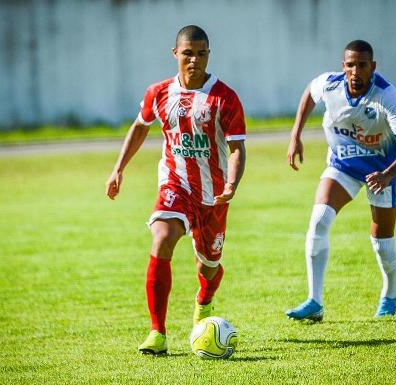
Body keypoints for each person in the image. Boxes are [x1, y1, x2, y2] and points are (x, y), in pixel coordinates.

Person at [105, 25, 246, 354]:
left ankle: (204, 300)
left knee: (208, 266)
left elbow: (237, 148)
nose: (194, 60)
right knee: (162, 237)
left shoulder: (224, 97)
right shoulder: (159, 93)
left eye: (201, 53)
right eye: (187, 53)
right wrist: (118, 168)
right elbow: (140, 127)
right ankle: (157, 333)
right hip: (175, 183)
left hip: (213, 194)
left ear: (208, 55)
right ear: (175, 54)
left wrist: (232, 183)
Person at [285, 40, 396, 321]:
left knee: (383, 244)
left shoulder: (386, 94)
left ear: (373, 67)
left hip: (379, 173)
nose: (355, 71)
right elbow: (310, 94)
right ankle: (314, 301)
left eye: (362, 65)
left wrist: (388, 174)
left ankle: (390, 294)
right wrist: (295, 135)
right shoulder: (330, 84)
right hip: (343, 166)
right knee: (319, 218)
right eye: (350, 65)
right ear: (342, 66)